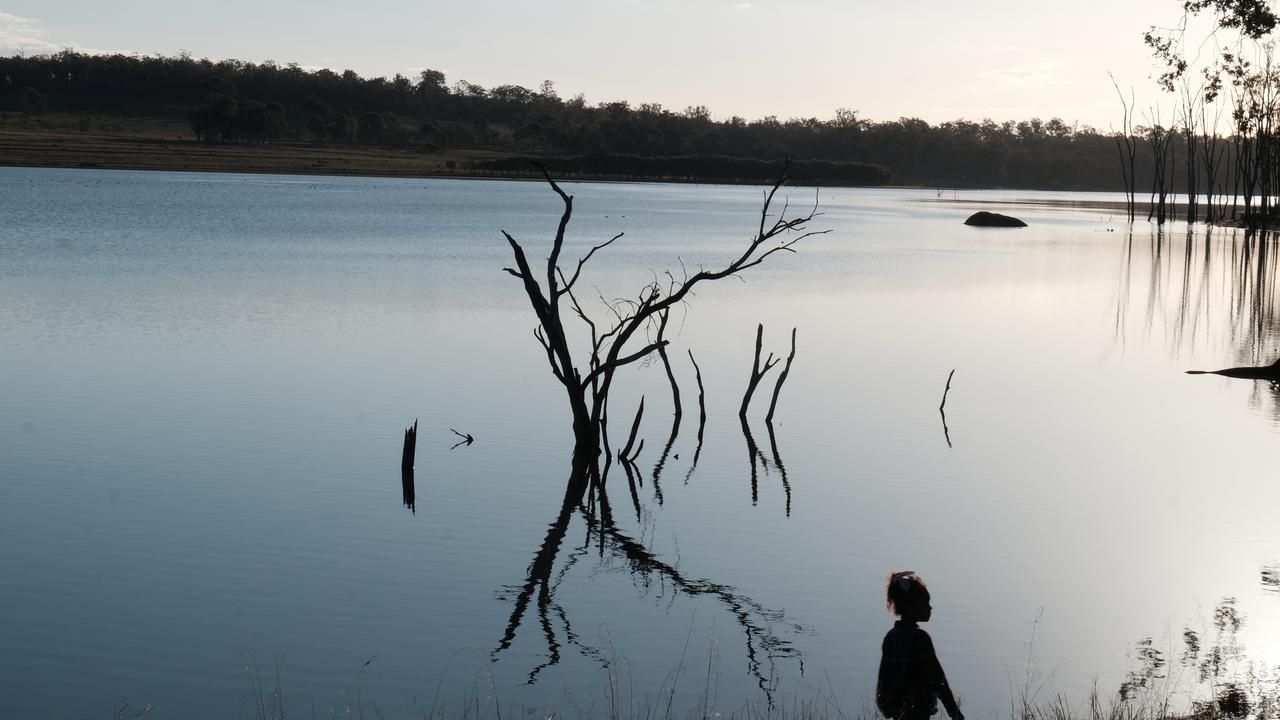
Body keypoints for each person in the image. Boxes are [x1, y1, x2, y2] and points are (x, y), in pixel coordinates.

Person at [876, 571, 963, 720]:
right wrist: (954, 712)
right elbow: (938, 680)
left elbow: (883, 680)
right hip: (919, 713)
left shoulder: (890, 638)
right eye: (925, 602)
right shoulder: (920, 639)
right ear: (910, 606)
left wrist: (888, 709)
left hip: (898, 714)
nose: (930, 608)